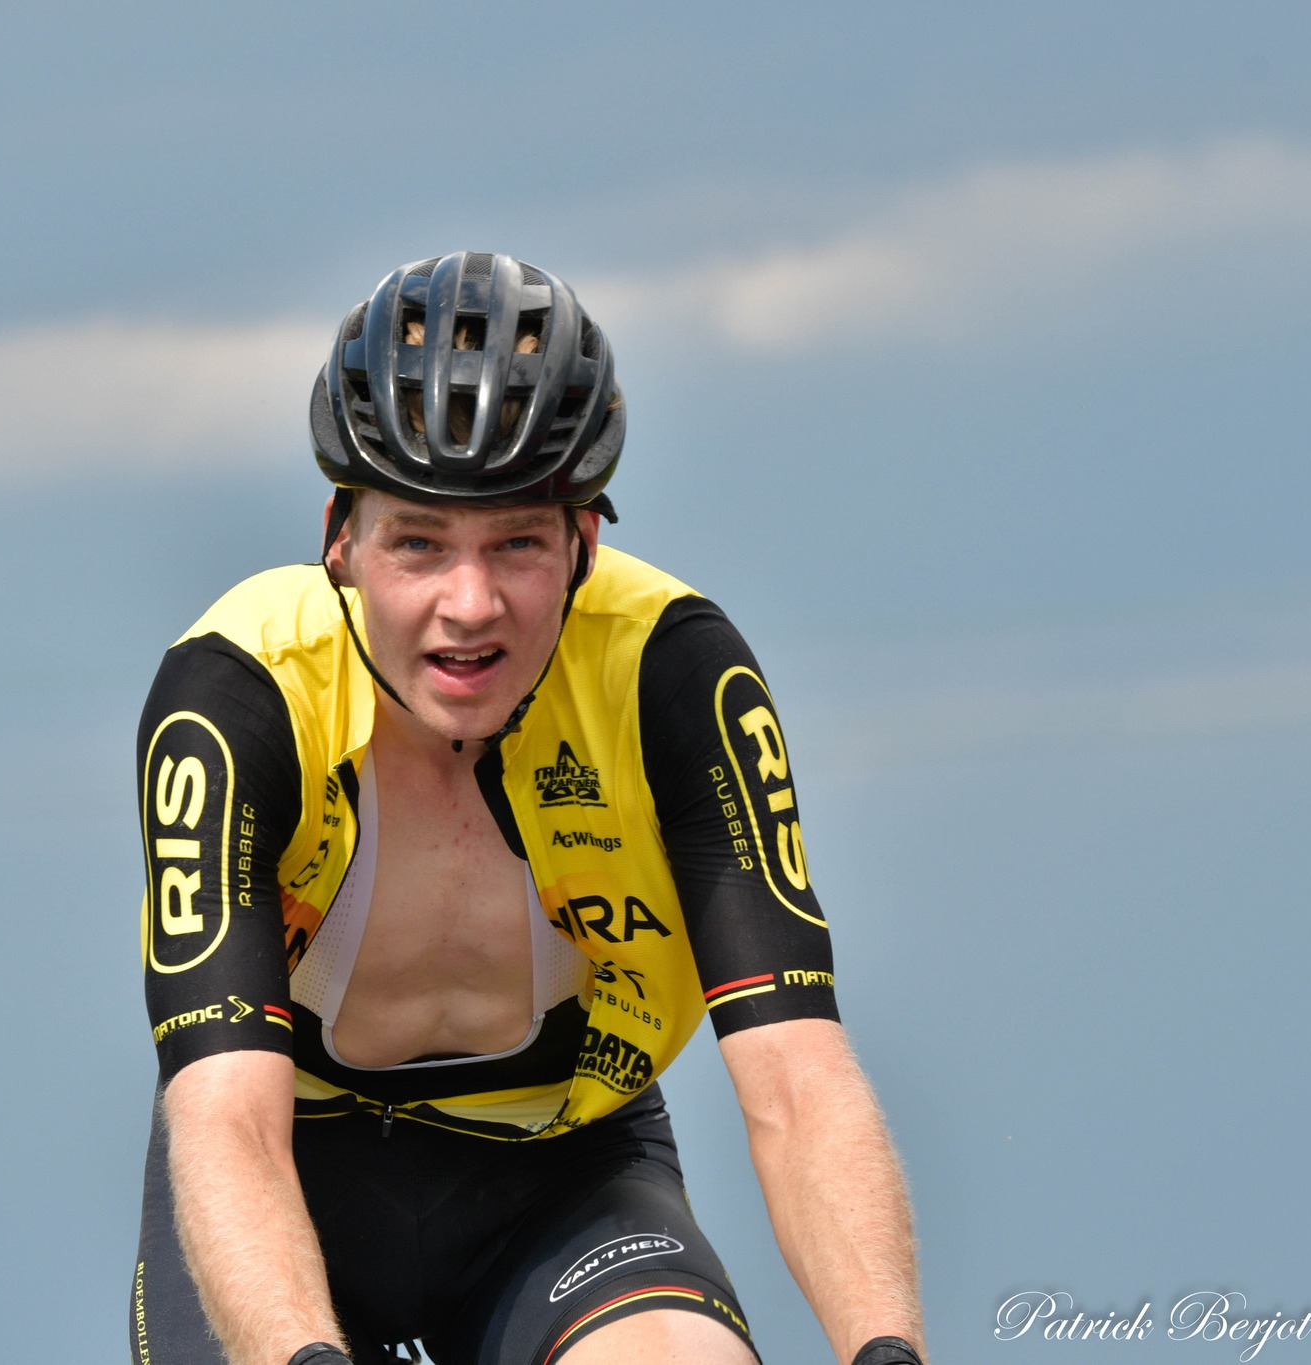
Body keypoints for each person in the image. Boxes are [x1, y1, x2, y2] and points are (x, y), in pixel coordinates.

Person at [129, 251, 927, 1365]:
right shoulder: (237, 695)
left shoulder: (670, 673)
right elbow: (226, 1119)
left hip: (563, 1181)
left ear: (585, 546)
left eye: (516, 542)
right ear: (340, 541)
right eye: (418, 542)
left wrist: (887, 1350)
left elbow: (796, 1077)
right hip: (290, 1168)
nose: (470, 605)